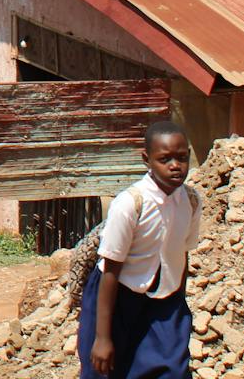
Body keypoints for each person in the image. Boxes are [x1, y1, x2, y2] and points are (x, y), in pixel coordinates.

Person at [79, 120, 200, 379]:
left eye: (181, 158)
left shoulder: (190, 200)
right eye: (164, 159)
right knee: (104, 371)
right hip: (116, 297)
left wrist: (180, 305)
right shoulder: (131, 204)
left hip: (165, 300)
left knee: (173, 371)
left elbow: (182, 256)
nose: (174, 166)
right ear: (147, 160)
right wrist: (102, 337)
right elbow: (111, 268)